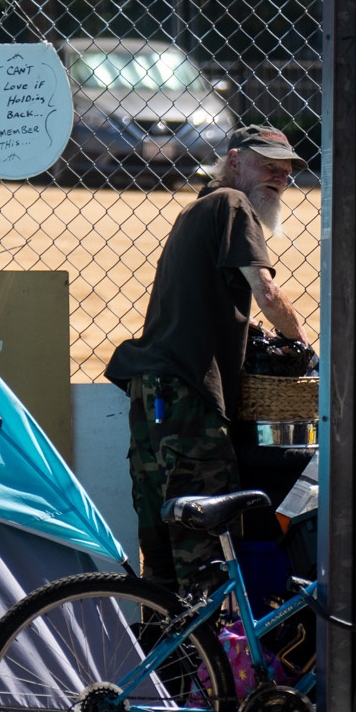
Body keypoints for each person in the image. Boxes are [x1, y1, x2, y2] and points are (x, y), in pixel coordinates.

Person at [105, 125, 309, 583]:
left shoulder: (199, 209)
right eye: (268, 166)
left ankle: (171, 647)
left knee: (162, 545)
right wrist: (305, 345)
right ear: (234, 161)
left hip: (152, 389)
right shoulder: (232, 204)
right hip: (186, 393)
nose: (279, 177)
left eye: (286, 170)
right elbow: (267, 292)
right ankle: (212, 654)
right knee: (205, 548)